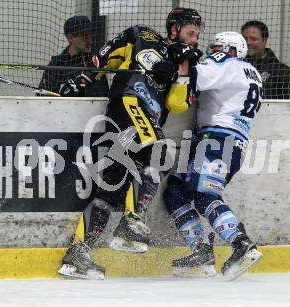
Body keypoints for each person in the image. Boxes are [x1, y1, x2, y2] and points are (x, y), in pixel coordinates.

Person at [56, 8, 203, 279]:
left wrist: (182, 68)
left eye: (197, 35)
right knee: (159, 153)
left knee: (113, 186)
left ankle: (77, 254)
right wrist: (79, 81)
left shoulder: (188, 63)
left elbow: (177, 104)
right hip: (128, 106)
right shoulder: (142, 35)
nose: (194, 39)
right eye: (189, 33)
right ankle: (130, 225)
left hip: (141, 123)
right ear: (174, 29)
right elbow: (104, 57)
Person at [163, 31, 263, 280]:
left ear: (230, 49)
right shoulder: (253, 73)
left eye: (217, 47)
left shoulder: (227, 62)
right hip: (228, 142)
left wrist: (181, 60)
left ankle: (240, 244)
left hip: (218, 139)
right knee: (175, 191)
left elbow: (193, 77)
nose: (211, 52)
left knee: (204, 194)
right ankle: (201, 251)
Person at [38, 15, 108, 96]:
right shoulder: (56, 65)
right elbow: (42, 96)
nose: (90, 41)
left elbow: (105, 96)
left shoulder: (96, 62)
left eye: (90, 35)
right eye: (85, 36)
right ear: (70, 38)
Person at [241, 20, 290, 100]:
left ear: (264, 40)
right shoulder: (235, 67)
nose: (248, 42)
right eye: (244, 39)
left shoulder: (282, 72)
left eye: (253, 39)